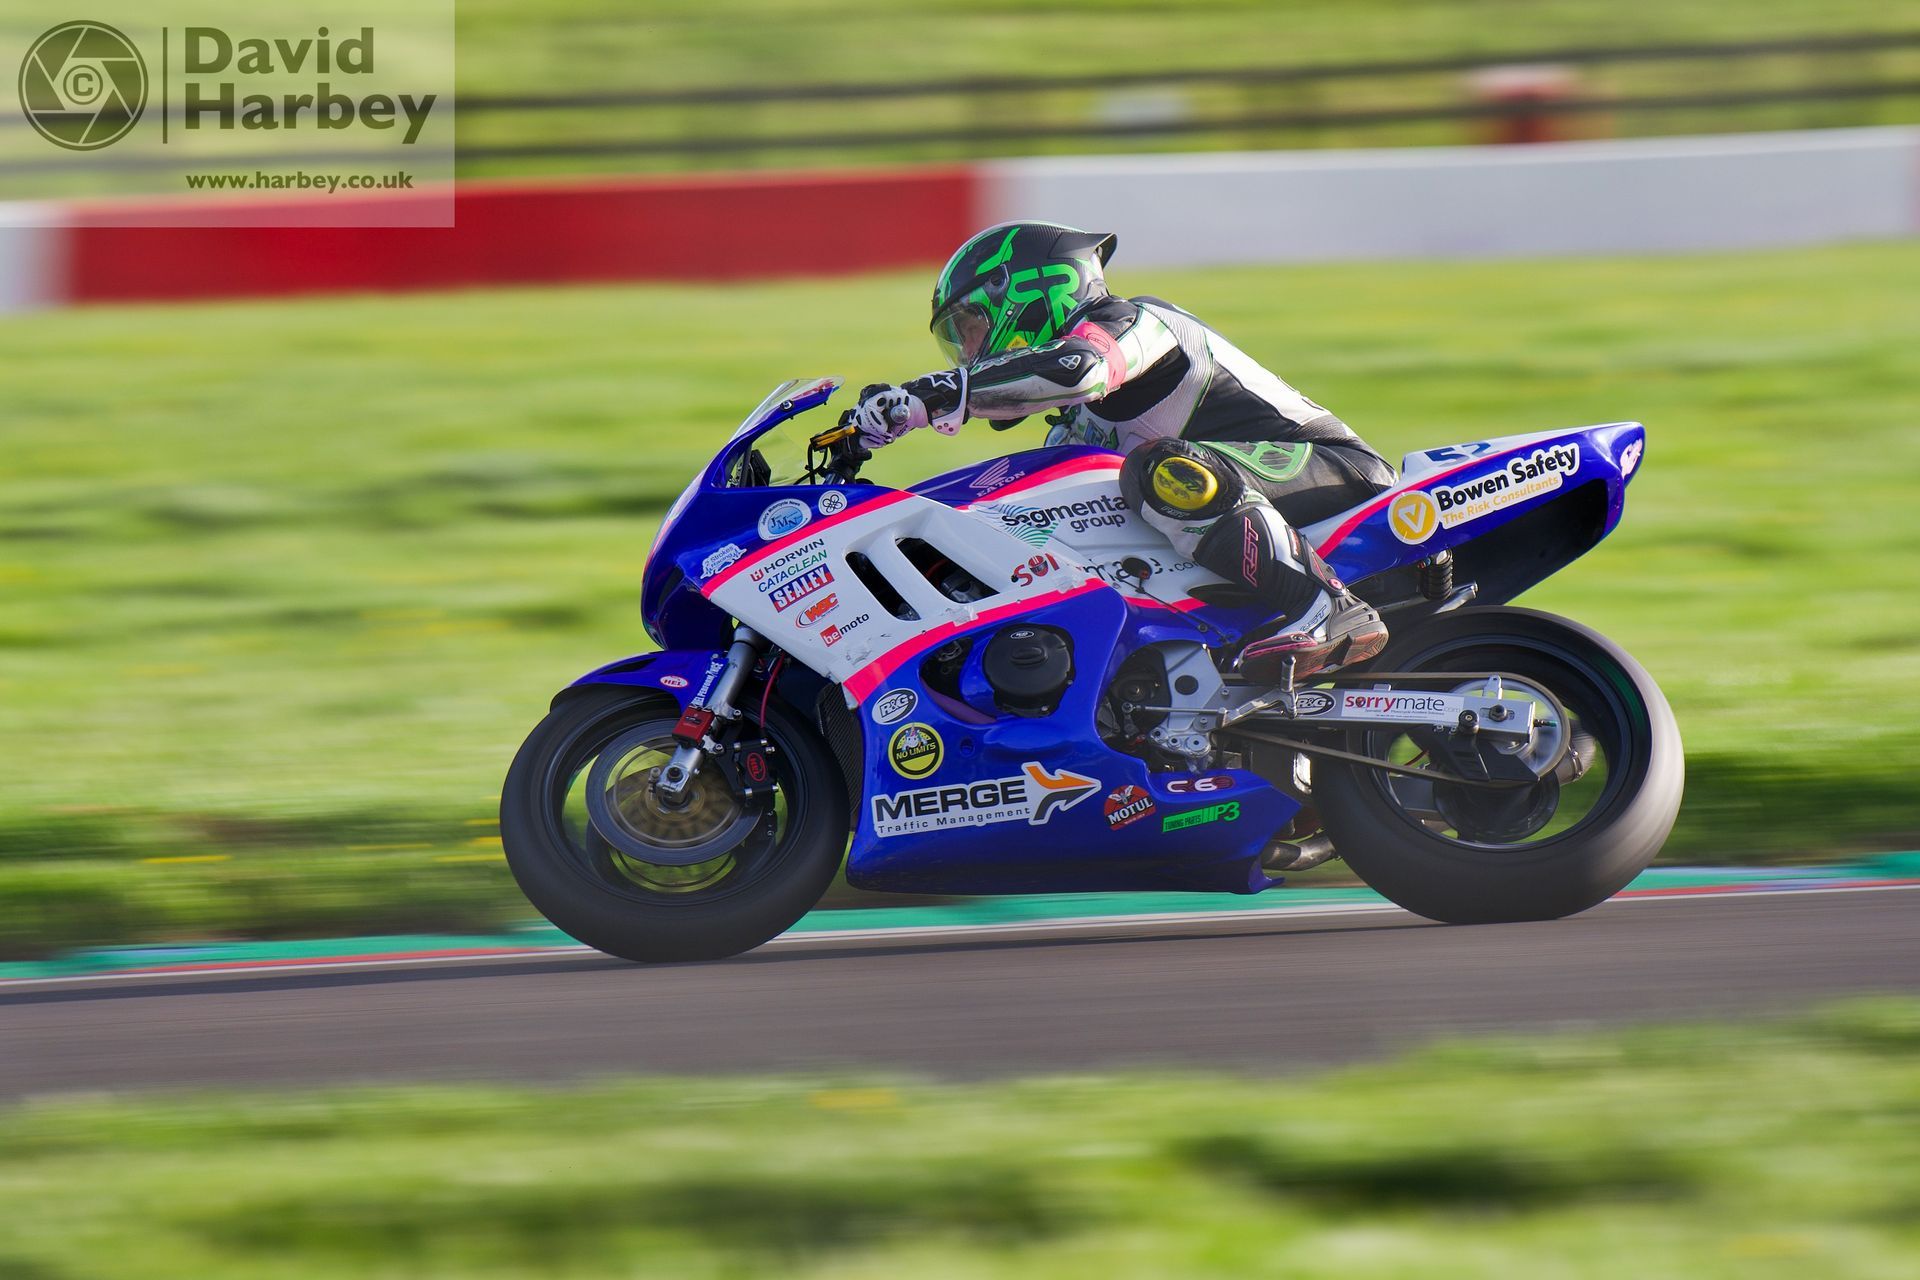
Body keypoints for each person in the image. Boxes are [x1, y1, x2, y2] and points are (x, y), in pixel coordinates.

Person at [850, 220, 1392, 678]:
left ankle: (1327, 607)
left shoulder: (1137, 322)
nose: (967, 352)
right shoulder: (1075, 424)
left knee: (1158, 466)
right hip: (1253, 497)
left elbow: (1079, 369)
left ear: (1027, 294)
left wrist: (938, 393)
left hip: (1332, 470)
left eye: (971, 328)